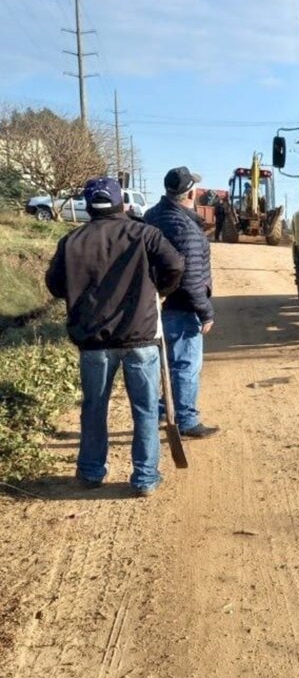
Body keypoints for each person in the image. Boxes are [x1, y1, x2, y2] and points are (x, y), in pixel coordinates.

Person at [45, 177, 184, 496]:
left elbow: (54, 285)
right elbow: (175, 264)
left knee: (94, 407)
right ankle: (145, 477)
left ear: (88, 206)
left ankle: (92, 472)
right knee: (146, 409)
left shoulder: (72, 241)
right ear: (122, 203)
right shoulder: (144, 233)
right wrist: (159, 291)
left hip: (94, 341)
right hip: (139, 339)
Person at [145, 166, 219, 439]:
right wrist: (205, 311)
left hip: (155, 302)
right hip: (182, 305)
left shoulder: (152, 216)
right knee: (186, 364)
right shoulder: (185, 226)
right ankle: (186, 420)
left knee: (166, 361)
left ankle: (166, 410)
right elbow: (190, 278)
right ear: (190, 192)